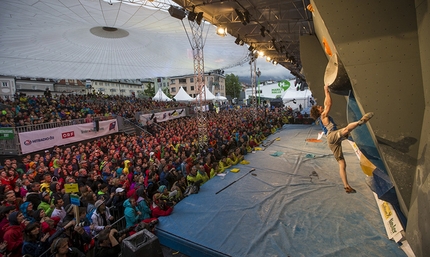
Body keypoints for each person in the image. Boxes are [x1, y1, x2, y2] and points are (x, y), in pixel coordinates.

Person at [310, 85, 374, 193]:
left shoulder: (322, 118)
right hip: (332, 135)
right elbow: (328, 104)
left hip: (331, 142)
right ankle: (360, 122)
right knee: (345, 130)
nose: (321, 106)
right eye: (319, 107)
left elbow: (326, 104)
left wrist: (326, 91)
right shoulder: (323, 115)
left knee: (342, 163)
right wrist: (326, 91)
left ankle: (346, 186)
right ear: (319, 111)